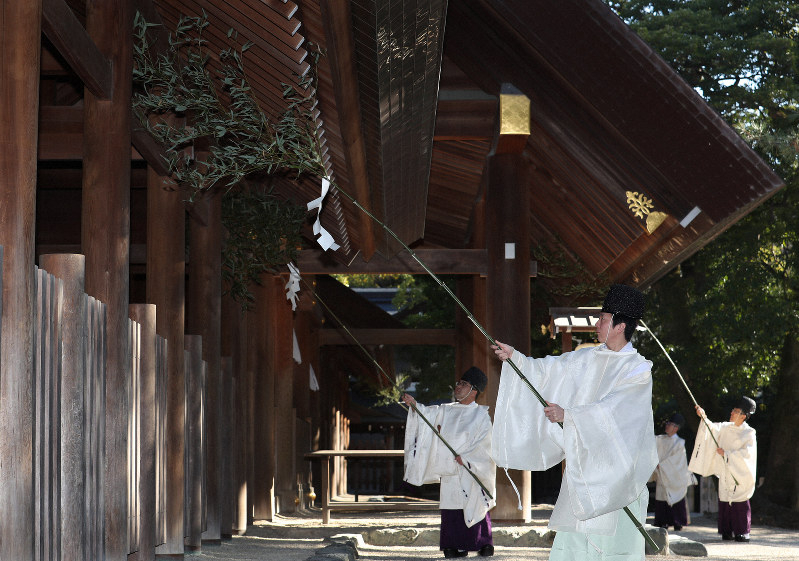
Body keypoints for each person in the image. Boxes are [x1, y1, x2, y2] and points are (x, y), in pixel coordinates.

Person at [491, 284, 658, 561]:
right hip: (582, 472)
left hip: (619, 477)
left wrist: (569, 416)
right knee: (574, 545)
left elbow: (616, 410)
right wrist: (516, 359)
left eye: (603, 319)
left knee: (615, 548)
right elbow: (547, 370)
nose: (597, 324)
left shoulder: (638, 369)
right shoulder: (585, 358)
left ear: (620, 326)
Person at [402, 366, 496, 558]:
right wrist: (414, 405)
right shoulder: (446, 410)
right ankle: (452, 545)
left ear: (474, 390)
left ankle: (483, 543)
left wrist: (467, 458)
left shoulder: (481, 415)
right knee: (451, 506)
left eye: (464, 384)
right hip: (449, 468)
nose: (458, 387)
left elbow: (485, 444)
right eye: (458, 383)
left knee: (475, 502)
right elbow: (426, 416)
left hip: (469, 468)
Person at [689, 397, 757, 542]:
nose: (732, 413)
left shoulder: (749, 433)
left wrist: (727, 454)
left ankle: (742, 531)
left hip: (740, 473)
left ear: (743, 416)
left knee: (740, 501)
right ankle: (727, 530)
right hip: (726, 472)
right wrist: (703, 416)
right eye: (733, 410)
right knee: (725, 500)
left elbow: (747, 454)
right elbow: (711, 429)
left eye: (736, 411)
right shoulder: (725, 427)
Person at [651, 413, 693, 531]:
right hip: (661, 473)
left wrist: (663, 465)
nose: (667, 425)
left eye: (670, 424)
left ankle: (677, 521)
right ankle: (662, 521)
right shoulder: (660, 439)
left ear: (676, 428)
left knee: (675, 494)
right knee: (662, 495)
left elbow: (678, 461)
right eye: (667, 423)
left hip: (674, 475)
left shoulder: (680, 443)